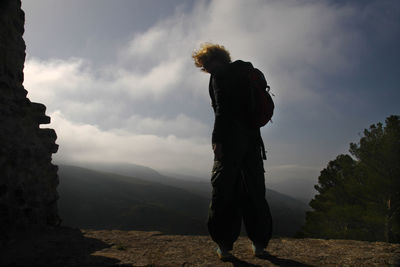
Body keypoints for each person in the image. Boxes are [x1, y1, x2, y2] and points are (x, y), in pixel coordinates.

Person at [192, 43, 273, 260]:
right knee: (255, 190)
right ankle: (259, 245)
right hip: (253, 141)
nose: (206, 69)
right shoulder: (244, 71)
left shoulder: (220, 75)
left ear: (214, 60)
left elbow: (222, 109)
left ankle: (225, 246)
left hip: (230, 141)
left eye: (206, 64)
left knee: (224, 191)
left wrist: (217, 140)